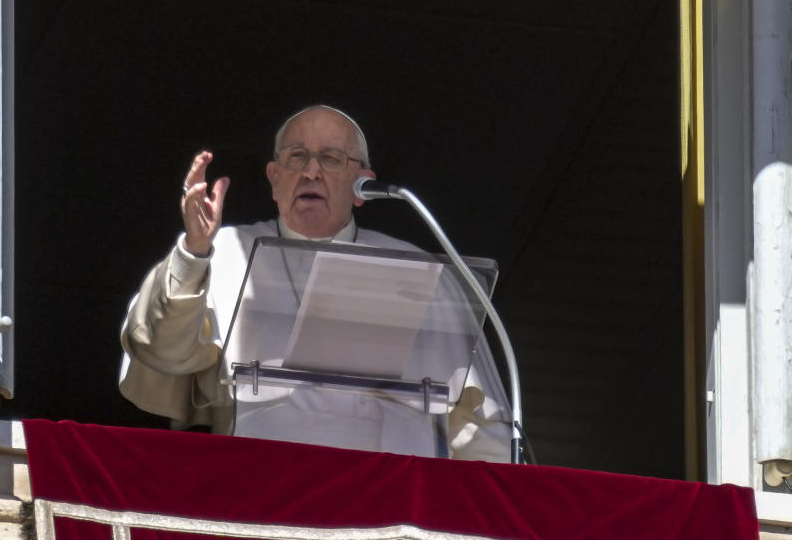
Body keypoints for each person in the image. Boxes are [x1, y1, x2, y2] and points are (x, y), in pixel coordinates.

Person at [119, 105, 511, 460]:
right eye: (297, 157)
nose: (311, 171)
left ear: (363, 185)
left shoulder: (421, 272)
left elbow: (482, 427)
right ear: (274, 179)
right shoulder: (222, 254)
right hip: (264, 497)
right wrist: (194, 253)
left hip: (392, 513)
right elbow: (159, 350)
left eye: (330, 158)